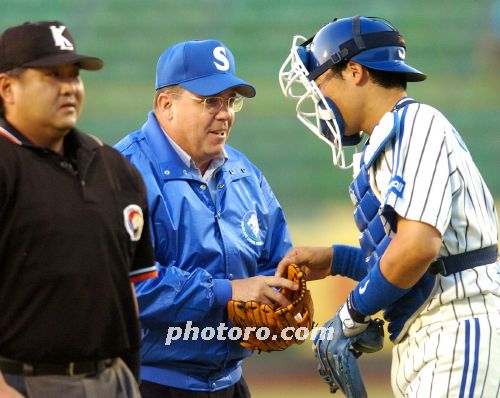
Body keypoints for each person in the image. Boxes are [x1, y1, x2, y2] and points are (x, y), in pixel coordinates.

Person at [278, 16, 499, 397]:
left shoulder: (417, 123)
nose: (317, 96)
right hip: (429, 332)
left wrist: (350, 314)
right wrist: (337, 261)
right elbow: (410, 263)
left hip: (460, 325)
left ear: (354, 71)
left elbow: (417, 249)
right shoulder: (386, 140)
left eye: (320, 81)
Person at [114, 39, 294, 397]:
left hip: (230, 381)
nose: (225, 113)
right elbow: (126, 287)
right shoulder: (124, 171)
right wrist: (228, 292)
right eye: (210, 101)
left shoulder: (246, 173)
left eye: (231, 101)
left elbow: (275, 260)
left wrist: (278, 295)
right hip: (151, 383)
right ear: (166, 105)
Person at [0, 21, 157, 398]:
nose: (68, 86)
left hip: (114, 379)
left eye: (74, 75)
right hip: (26, 381)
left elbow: (128, 291)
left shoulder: (116, 169)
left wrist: (129, 379)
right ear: (7, 88)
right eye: (52, 75)